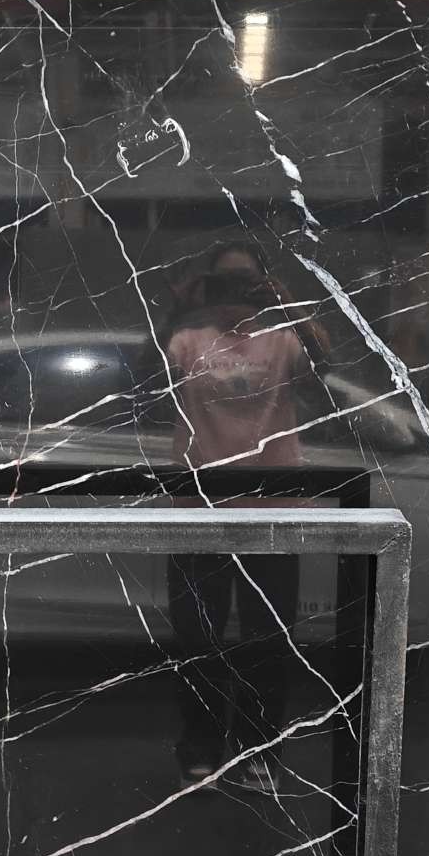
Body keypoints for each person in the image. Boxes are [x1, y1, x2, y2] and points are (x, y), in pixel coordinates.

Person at [159, 242, 323, 794]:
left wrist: (286, 302)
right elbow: (139, 385)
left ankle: (259, 750)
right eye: (225, 281)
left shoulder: (282, 340)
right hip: (199, 511)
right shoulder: (188, 341)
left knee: (268, 638)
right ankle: (200, 749)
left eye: (247, 282)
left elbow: (325, 373)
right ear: (208, 284)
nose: (236, 293)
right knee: (197, 639)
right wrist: (177, 309)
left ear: (264, 285)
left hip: (271, 511)